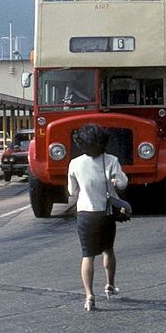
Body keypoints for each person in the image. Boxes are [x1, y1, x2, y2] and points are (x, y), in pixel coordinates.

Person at [67, 124, 129, 311]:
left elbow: (72, 191)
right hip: (106, 213)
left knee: (87, 256)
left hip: (85, 214)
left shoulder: (75, 163)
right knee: (108, 250)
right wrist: (114, 183)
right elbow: (123, 183)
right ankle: (109, 285)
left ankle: (89, 296)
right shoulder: (111, 160)